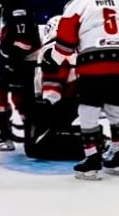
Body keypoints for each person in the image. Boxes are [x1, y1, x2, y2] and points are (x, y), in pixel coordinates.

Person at [54, 0, 119, 180]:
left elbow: (64, 43)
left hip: (92, 64)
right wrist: (117, 52)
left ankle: (92, 160)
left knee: (88, 110)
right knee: (117, 110)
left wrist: (66, 55)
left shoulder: (78, 3)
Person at [0, 0, 41, 151]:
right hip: (9, 58)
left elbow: (26, 41)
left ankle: (31, 133)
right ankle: (6, 135)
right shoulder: (6, 5)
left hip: (21, 61)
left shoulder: (19, 7)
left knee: (20, 97)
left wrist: (11, 63)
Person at [25, 15, 82, 160]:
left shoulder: (52, 50)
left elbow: (53, 87)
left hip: (62, 104)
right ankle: (90, 137)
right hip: (75, 101)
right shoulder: (70, 48)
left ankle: (90, 141)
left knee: (35, 148)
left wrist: (45, 111)